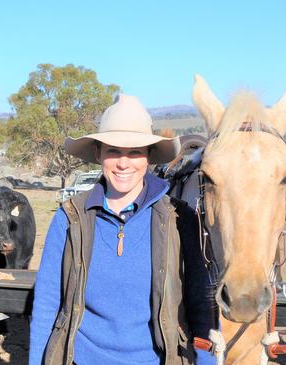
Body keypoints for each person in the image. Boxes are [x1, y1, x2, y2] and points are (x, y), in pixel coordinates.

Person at [29, 94, 217, 365]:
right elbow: (47, 304)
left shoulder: (179, 219)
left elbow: (201, 303)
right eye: (113, 150)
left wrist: (207, 360)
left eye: (135, 152)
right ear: (98, 153)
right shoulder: (70, 218)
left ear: (149, 156)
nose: (123, 163)